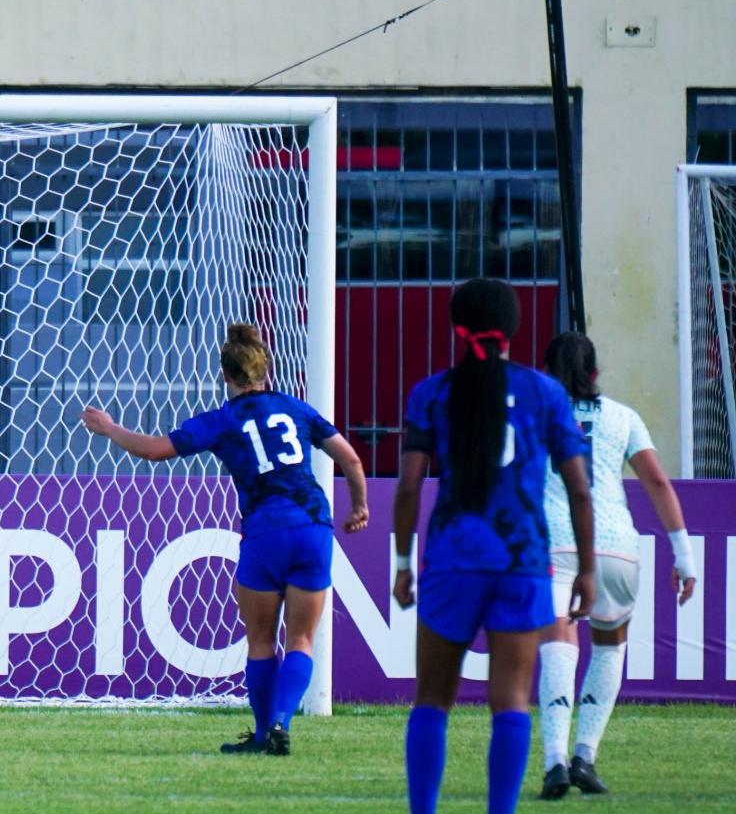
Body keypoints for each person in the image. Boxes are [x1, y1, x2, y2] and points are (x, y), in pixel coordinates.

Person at [81, 323, 369, 756]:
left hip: (265, 533)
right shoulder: (297, 408)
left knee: (259, 641)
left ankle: (261, 735)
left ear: (225, 375)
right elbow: (349, 457)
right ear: (265, 371)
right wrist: (360, 506)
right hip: (313, 528)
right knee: (302, 640)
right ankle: (280, 723)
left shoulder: (223, 420)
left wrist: (110, 428)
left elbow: (156, 450)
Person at [393, 278, 594, 814]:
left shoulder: (431, 392)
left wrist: (403, 563)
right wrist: (588, 569)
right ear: (514, 327)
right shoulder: (546, 393)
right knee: (509, 701)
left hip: (453, 558)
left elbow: (410, 485)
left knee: (432, 700)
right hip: (522, 560)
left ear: (456, 327)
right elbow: (579, 487)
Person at [534, 332, 699, 799]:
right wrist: (683, 556)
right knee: (609, 648)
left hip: (556, 544)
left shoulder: (533, 414)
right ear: (595, 373)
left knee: (558, 642)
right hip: (617, 546)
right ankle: (585, 755)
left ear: (546, 371)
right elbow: (658, 483)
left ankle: (555, 762)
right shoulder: (624, 417)